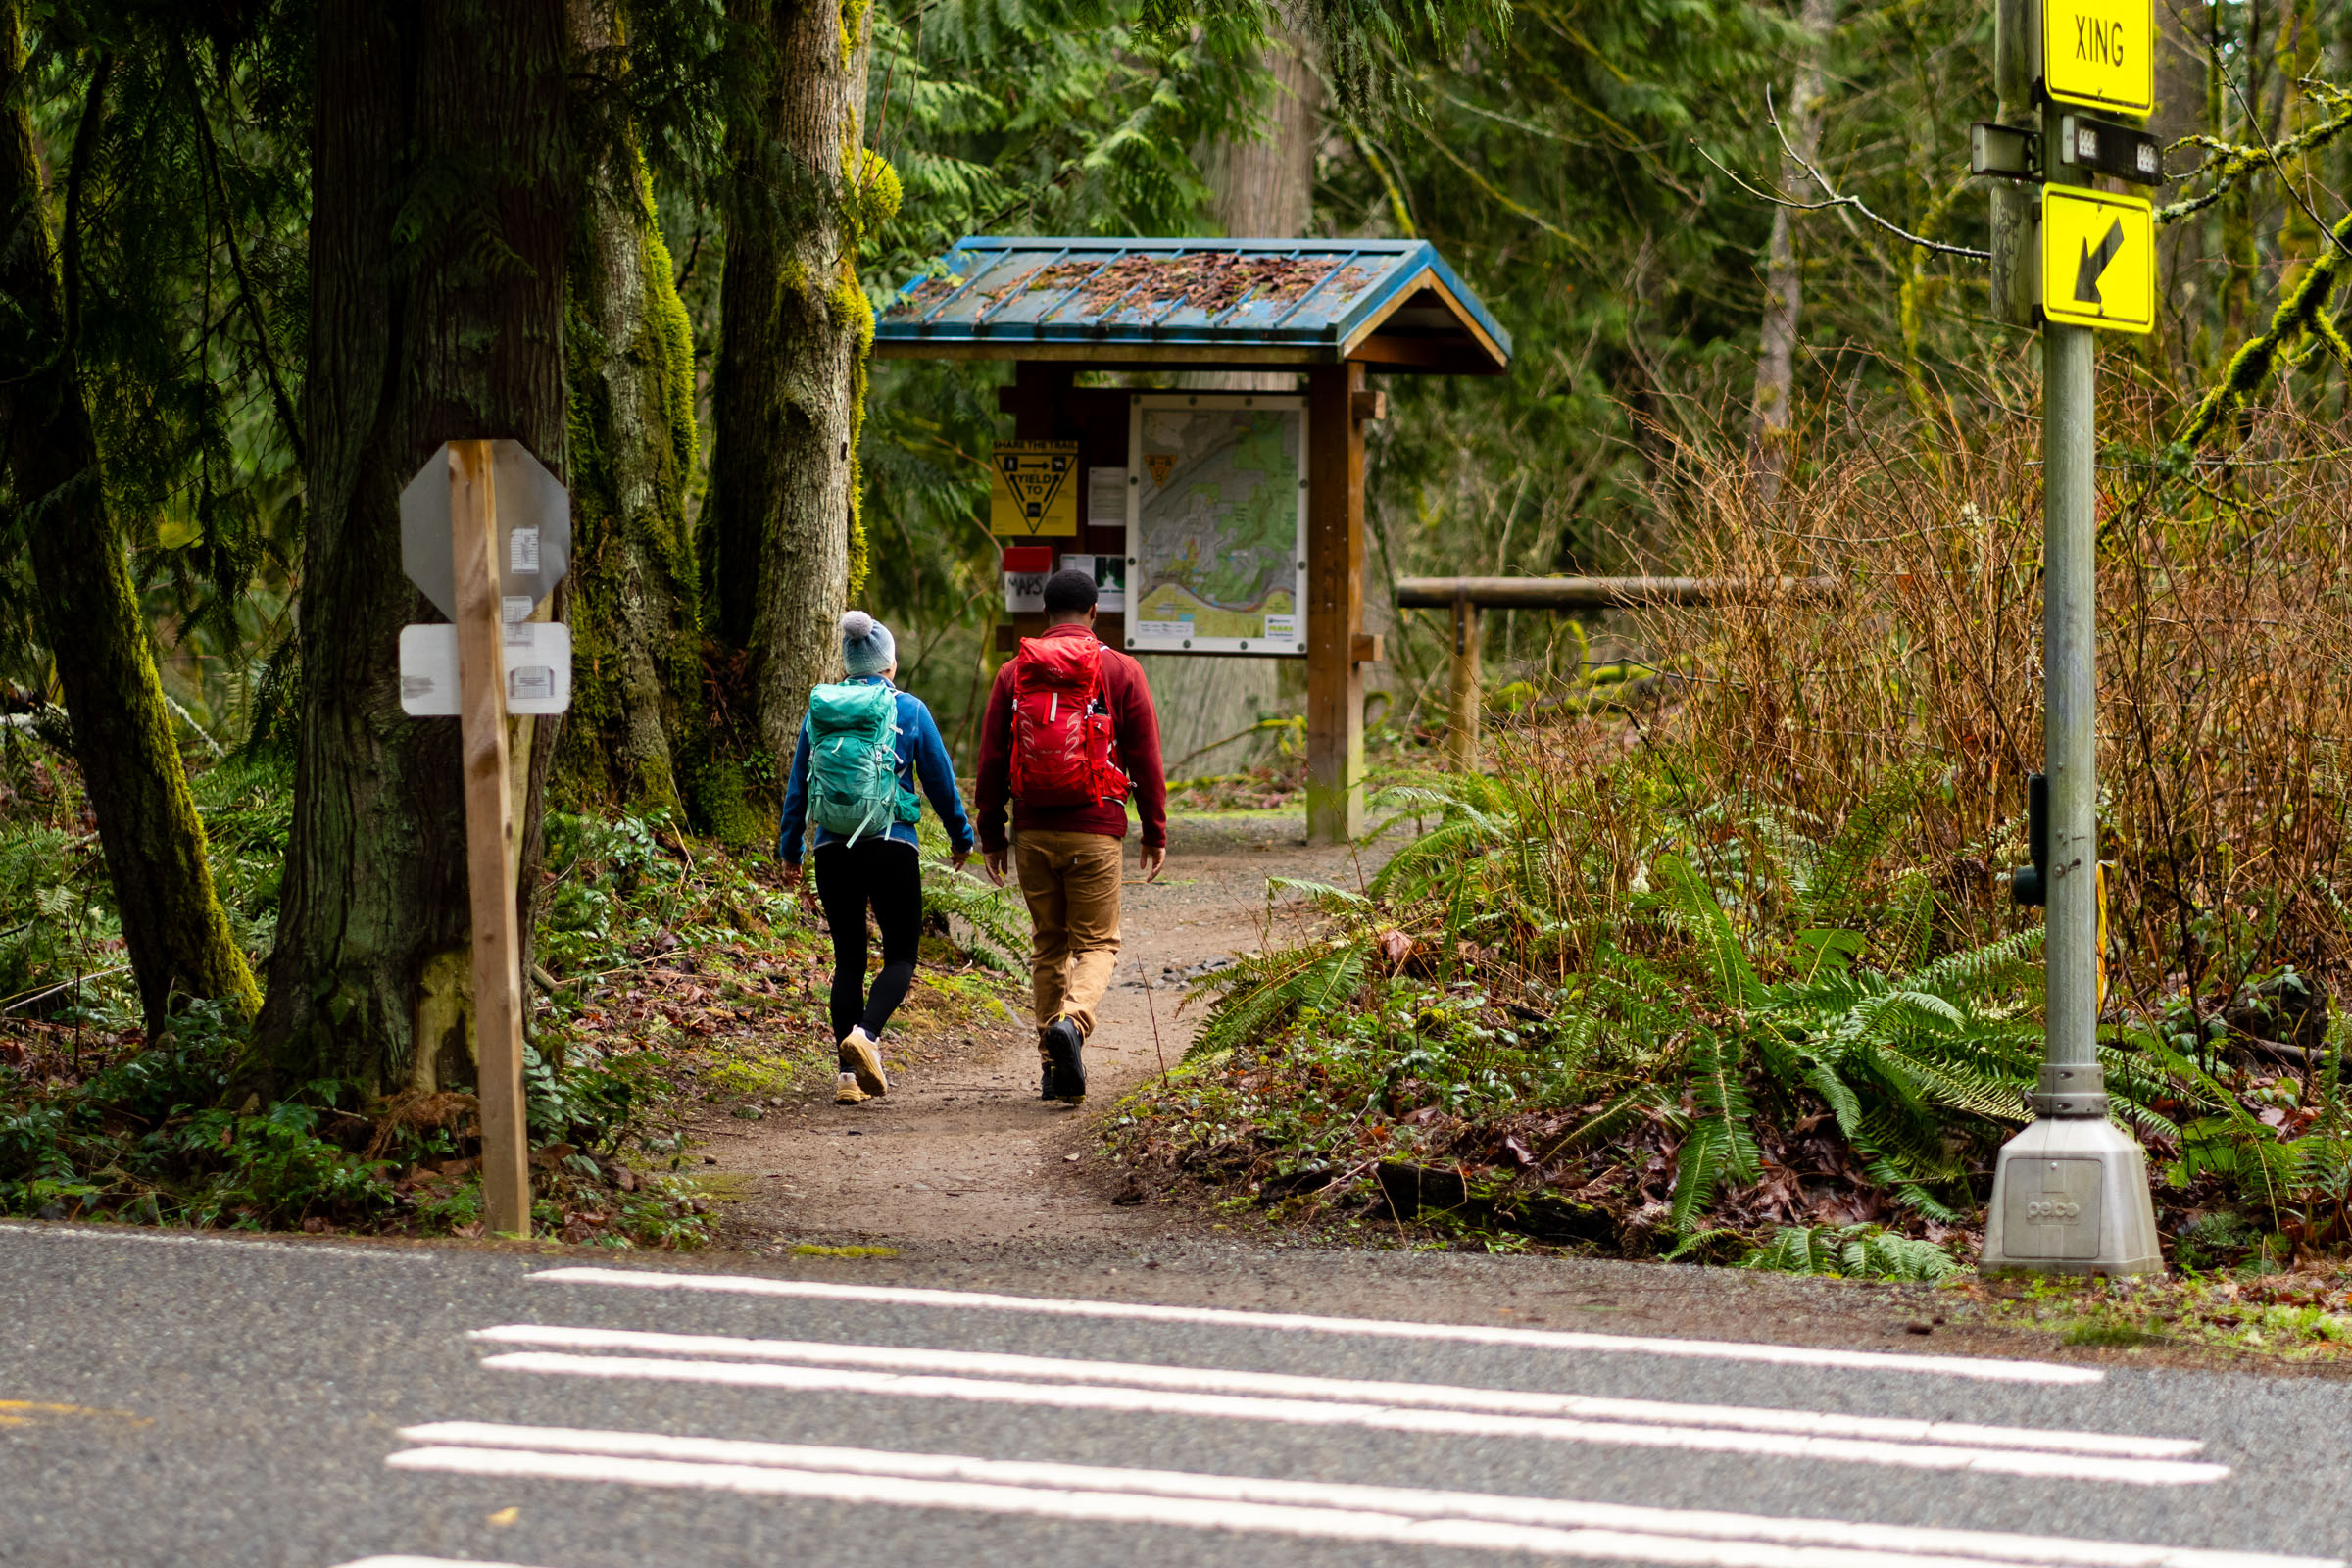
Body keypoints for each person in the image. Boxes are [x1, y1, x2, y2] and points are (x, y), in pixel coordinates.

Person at [974, 566, 1167, 1105]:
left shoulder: (1015, 673)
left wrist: (992, 833)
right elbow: (1146, 758)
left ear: (1044, 615)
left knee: (1049, 946)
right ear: (1093, 614)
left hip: (1033, 829)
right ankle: (1074, 1025)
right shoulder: (1121, 670)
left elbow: (990, 761)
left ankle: (1050, 1067)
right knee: (1098, 943)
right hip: (1096, 828)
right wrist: (1155, 829)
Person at [779, 611, 976, 1105]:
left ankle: (847, 1077)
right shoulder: (908, 709)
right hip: (892, 844)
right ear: (888, 663)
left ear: (848, 664)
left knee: (848, 959)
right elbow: (940, 781)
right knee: (902, 955)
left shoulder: (821, 710)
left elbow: (798, 784)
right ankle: (866, 1035)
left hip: (832, 848)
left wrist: (791, 849)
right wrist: (961, 836)